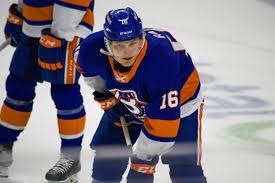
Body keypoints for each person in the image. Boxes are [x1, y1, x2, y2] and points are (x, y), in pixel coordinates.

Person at [74, 7, 207, 183]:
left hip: (182, 104)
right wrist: (107, 98)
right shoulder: (90, 50)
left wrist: (144, 160)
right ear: (107, 44)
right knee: (108, 152)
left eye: (132, 43)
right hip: (127, 99)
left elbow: (164, 125)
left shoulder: (162, 59)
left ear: (142, 39)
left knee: (184, 166)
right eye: (119, 46)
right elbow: (88, 71)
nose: (127, 52)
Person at [0, 0, 95, 182]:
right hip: (32, 28)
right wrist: (21, 13)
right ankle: (3, 146)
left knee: (64, 92)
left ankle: (71, 158)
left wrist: (59, 36)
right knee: (18, 86)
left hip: (67, 33)